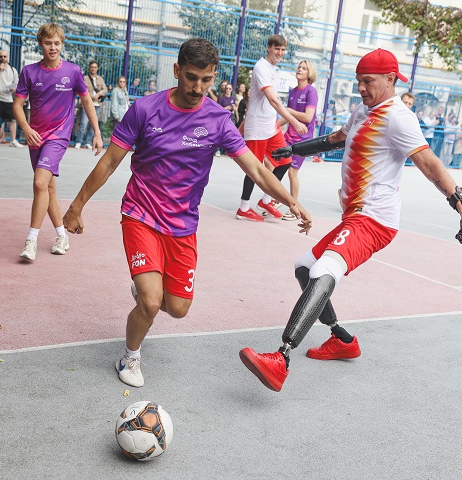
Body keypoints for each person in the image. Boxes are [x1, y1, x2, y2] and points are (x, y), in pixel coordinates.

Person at [62, 37, 311, 388]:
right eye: (191, 77)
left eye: (206, 80)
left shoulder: (218, 120)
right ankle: (129, 356)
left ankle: (144, 290)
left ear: (214, 77)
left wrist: (291, 201)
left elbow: (256, 169)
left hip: (182, 225)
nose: (197, 88)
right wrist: (76, 206)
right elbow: (110, 161)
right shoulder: (145, 109)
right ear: (177, 70)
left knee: (177, 308)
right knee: (151, 302)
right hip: (141, 214)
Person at [238, 48, 462, 392]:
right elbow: (334, 140)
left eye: (368, 81)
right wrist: (294, 149)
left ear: (390, 79)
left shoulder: (398, 117)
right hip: (355, 216)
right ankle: (341, 340)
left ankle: (282, 357)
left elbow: (430, 165)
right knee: (303, 268)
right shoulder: (362, 111)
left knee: (323, 271)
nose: (361, 88)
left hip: (375, 220)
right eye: (358, 81)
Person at [14, 22, 103, 262]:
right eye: (48, 43)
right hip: (36, 137)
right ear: (40, 44)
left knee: (39, 182)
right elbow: (17, 105)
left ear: (62, 44)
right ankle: (62, 235)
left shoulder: (73, 71)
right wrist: (26, 128)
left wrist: (97, 133)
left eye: (57, 43)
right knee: (48, 188)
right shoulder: (29, 72)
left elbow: (87, 101)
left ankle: (31, 240)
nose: (53, 47)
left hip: (58, 137)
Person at [236, 34, 308, 222]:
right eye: (277, 49)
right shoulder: (261, 67)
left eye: (283, 50)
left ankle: (266, 200)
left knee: (285, 161)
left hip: (271, 126)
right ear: (269, 47)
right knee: (254, 168)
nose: (280, 53)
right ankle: (243, 208)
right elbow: (273, 101)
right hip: (258, 127)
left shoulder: (273, 68)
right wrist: (294, 122)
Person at [276, 60, 318, 221]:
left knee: (292, 172)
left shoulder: (311, 92)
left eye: (304, 68)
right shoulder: (293, 92)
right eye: (299, 67)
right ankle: (272, 199)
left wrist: (289, 111)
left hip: (303, 139)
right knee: (274, 163)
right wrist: (274, 126)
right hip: (288, 136)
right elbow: (288, 117)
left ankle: (293, 208)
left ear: (309, 73)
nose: (300, 69)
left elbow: (307, 117)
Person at [0, 50, 22, 147]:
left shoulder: (13, 70)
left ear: (7, 57)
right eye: (1, 56)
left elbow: (17, 83)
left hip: (8, 98)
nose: (3, 58)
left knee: (12, 119)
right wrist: (0, 71)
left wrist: (13, 89)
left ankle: (13, 140)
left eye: (5, 56)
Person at [75, 60, 107, 149]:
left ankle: (88, 142)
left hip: (97, 105)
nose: (93, 69)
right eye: (92, 67)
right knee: (83, 123)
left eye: (95, 67)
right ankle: (79, 141)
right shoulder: (85, 78)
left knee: (94, 125)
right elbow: (81, 89)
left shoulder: (100, 79)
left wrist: (99, 94)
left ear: (97, 68)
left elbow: (105, 90)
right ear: (89, 68)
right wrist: (91, 97)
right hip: (87, 104)